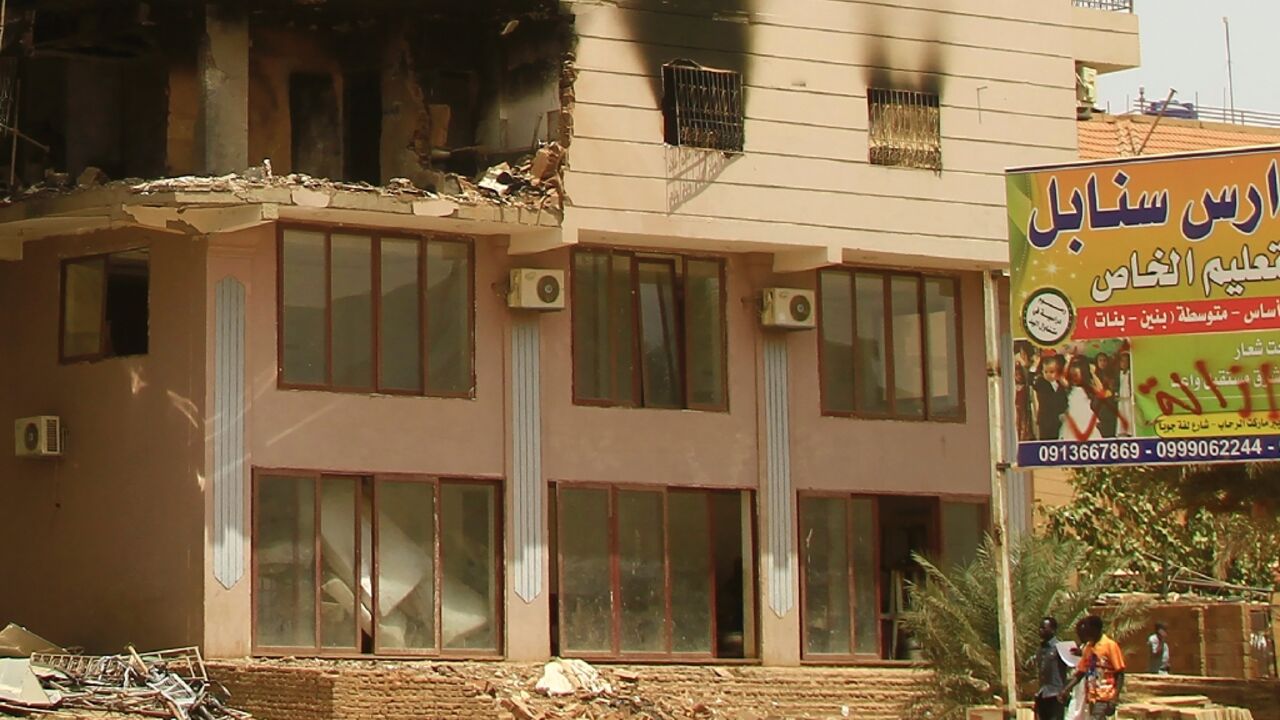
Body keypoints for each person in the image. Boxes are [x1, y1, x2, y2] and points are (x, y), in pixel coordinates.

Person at [1059, 615, 1126, 719]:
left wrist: (1115, 698)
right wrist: (1066, 689)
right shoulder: (1088, 647)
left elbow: (1120, 673)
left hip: (1105, 695)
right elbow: (1081, 672)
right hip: (1091, 696)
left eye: (1088, 630)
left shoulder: (1110, 645)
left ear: (1095, 629)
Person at [1061, 356, 1103, 441]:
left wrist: (1093, 373)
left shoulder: (1088, 387)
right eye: (1072, 375)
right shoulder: (1069, 387)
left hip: (1085, 417)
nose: (1074, 378)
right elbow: (1061, 377)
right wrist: (1068, 362)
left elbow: (1100, 389)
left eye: (1076, 375)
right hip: (1073, 418)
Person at [1036, 617, 1070, 720]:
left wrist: (1066, 690)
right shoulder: (1040, 649)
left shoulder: (1060, 648)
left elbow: (1074, 666)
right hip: (1042, 694)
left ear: (1053, 630)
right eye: (1040, 628)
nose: (1040, 630)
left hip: (1055, 694)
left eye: (1044, 628)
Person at [1033, 355, 1068, 440]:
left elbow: (1063, 400)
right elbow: (1030, 380)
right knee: (1046, 440)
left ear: (1057, 372)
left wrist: (1063, 412)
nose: (1048, 374)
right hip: (1045, 420)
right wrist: (1034, 365)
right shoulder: (1041, 382)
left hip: (1058, 421)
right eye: (1046, 372)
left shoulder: (1060, 385)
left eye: (1051, 372)